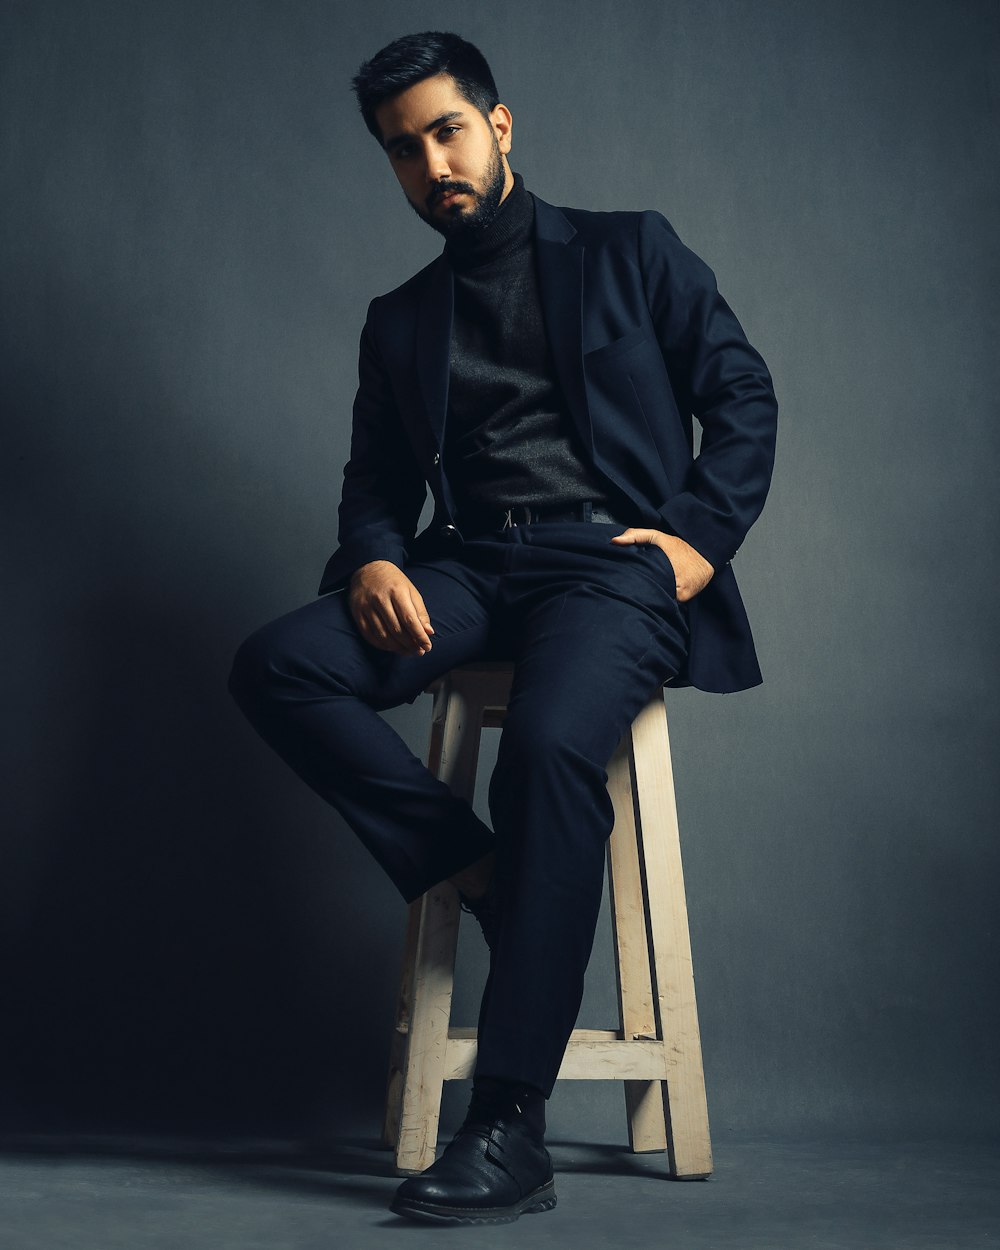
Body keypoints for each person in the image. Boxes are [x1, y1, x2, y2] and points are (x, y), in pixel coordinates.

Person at [228, 29, 778, 1226]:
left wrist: (694, 538)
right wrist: (375, 551)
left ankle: (509, 1120)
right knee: (277, 663)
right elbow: (375, 480)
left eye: (447, 130)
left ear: (501, 125)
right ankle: (472, 866)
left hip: (610, 567)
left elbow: (741, 393)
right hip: (470, 564)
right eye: (403, 149)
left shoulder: (631, 249)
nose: (431, 163)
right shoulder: (400, 317)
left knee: (544, 747)